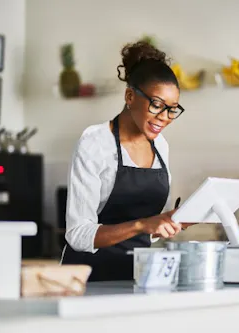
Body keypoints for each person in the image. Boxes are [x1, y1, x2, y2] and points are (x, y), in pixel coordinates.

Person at [61, 41, 186, 282]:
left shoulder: (160, 146)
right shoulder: (95, 143)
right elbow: (77, 234)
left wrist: (170, 222)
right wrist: (142, 225)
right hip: (87, 278)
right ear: (130, 96)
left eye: (172, 109)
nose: (165, 118)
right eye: (157, 105)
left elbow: (148, 230)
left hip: (135, 277)